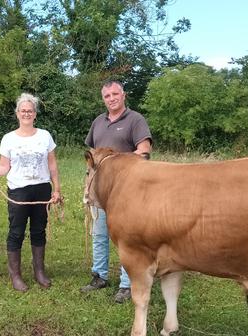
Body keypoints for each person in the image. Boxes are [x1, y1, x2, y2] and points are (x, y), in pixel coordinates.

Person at [0, 93, 62, 292]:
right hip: (18, 192)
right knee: (16, 232)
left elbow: (52, 165)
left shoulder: (45, 136)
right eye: (23, 110)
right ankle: (16, 275)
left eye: (30, 110)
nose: (26, 113)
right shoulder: (8, 139)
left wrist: (56, 189)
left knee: (39, 231)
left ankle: (39, 271)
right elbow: (4, 167)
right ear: (17, 113)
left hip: (42, 189)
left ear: (35, 114)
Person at [81, 80, 152, 303]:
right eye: (107, 96)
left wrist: (118, 160)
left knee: (126, 238)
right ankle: (99, 276)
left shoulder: (135, 120)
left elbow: (144, 151)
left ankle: (126, 284)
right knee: (100, 233)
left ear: (123, 95)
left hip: (127, 191)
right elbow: (92, 155)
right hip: (102, 191)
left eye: (115, 94)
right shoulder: (98, 122)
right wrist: (89, 182)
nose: (111, 98)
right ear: (103, 99)